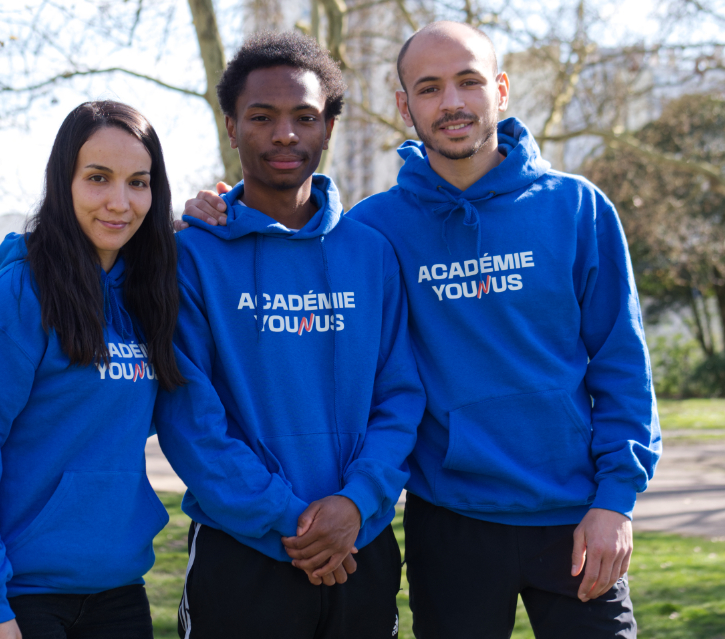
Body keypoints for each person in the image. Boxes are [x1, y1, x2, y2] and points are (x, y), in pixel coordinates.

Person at [181, 21, 661, 639]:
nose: (452, 103)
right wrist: (202, 211)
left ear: (502, 90)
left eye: (469, 82)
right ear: (405, 106)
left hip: (575, 518)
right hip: (450, 520)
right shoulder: (379, 229)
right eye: (430, 88)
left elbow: (622, 364)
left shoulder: (577, 208)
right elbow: (286, 242)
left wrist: (616, 499)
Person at [154, 32, 425, 639]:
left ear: (329, 127)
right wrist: (292, 520)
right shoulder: (189, 257)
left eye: (305, 117)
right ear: (230, 126)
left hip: (362, 545)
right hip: (242, 552)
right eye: (262, 117)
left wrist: (354, 505)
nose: (285, 135)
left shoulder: (371, 253)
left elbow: (400, 398)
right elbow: (189, 419)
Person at [0, 100, 183, 639]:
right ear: (63, 182)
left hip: (118, 595)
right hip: (15, 599)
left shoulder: (149, 297)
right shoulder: (12, 302)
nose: (119, 201)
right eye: (98, 178)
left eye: (138, 182)